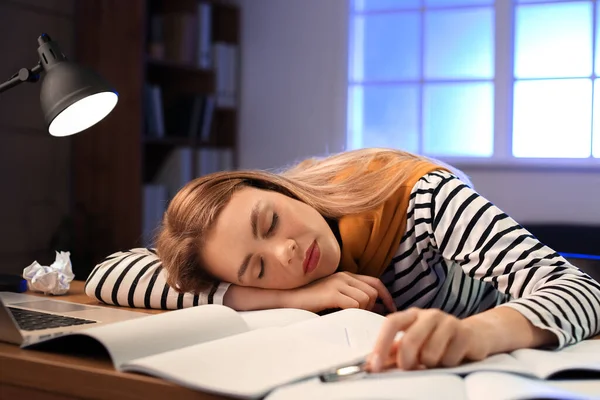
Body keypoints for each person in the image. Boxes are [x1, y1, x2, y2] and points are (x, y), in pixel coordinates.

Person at [85, 148, 600, 373]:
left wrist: (473, 333)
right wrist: (285, 296)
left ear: (277, 187)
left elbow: (578, 290)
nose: (285, 251)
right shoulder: (277, 273)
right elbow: (108, 276)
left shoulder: (419, 198)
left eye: (270, 223)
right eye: (257, 268)